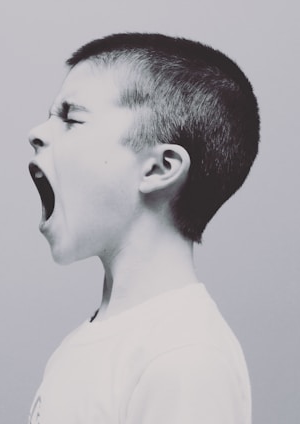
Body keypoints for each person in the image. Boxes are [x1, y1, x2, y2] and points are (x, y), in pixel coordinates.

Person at [27, 33, 259, 423]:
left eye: (71, 118)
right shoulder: (87, 343)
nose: (37, 133)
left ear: (159, 168)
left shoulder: (185, 357)